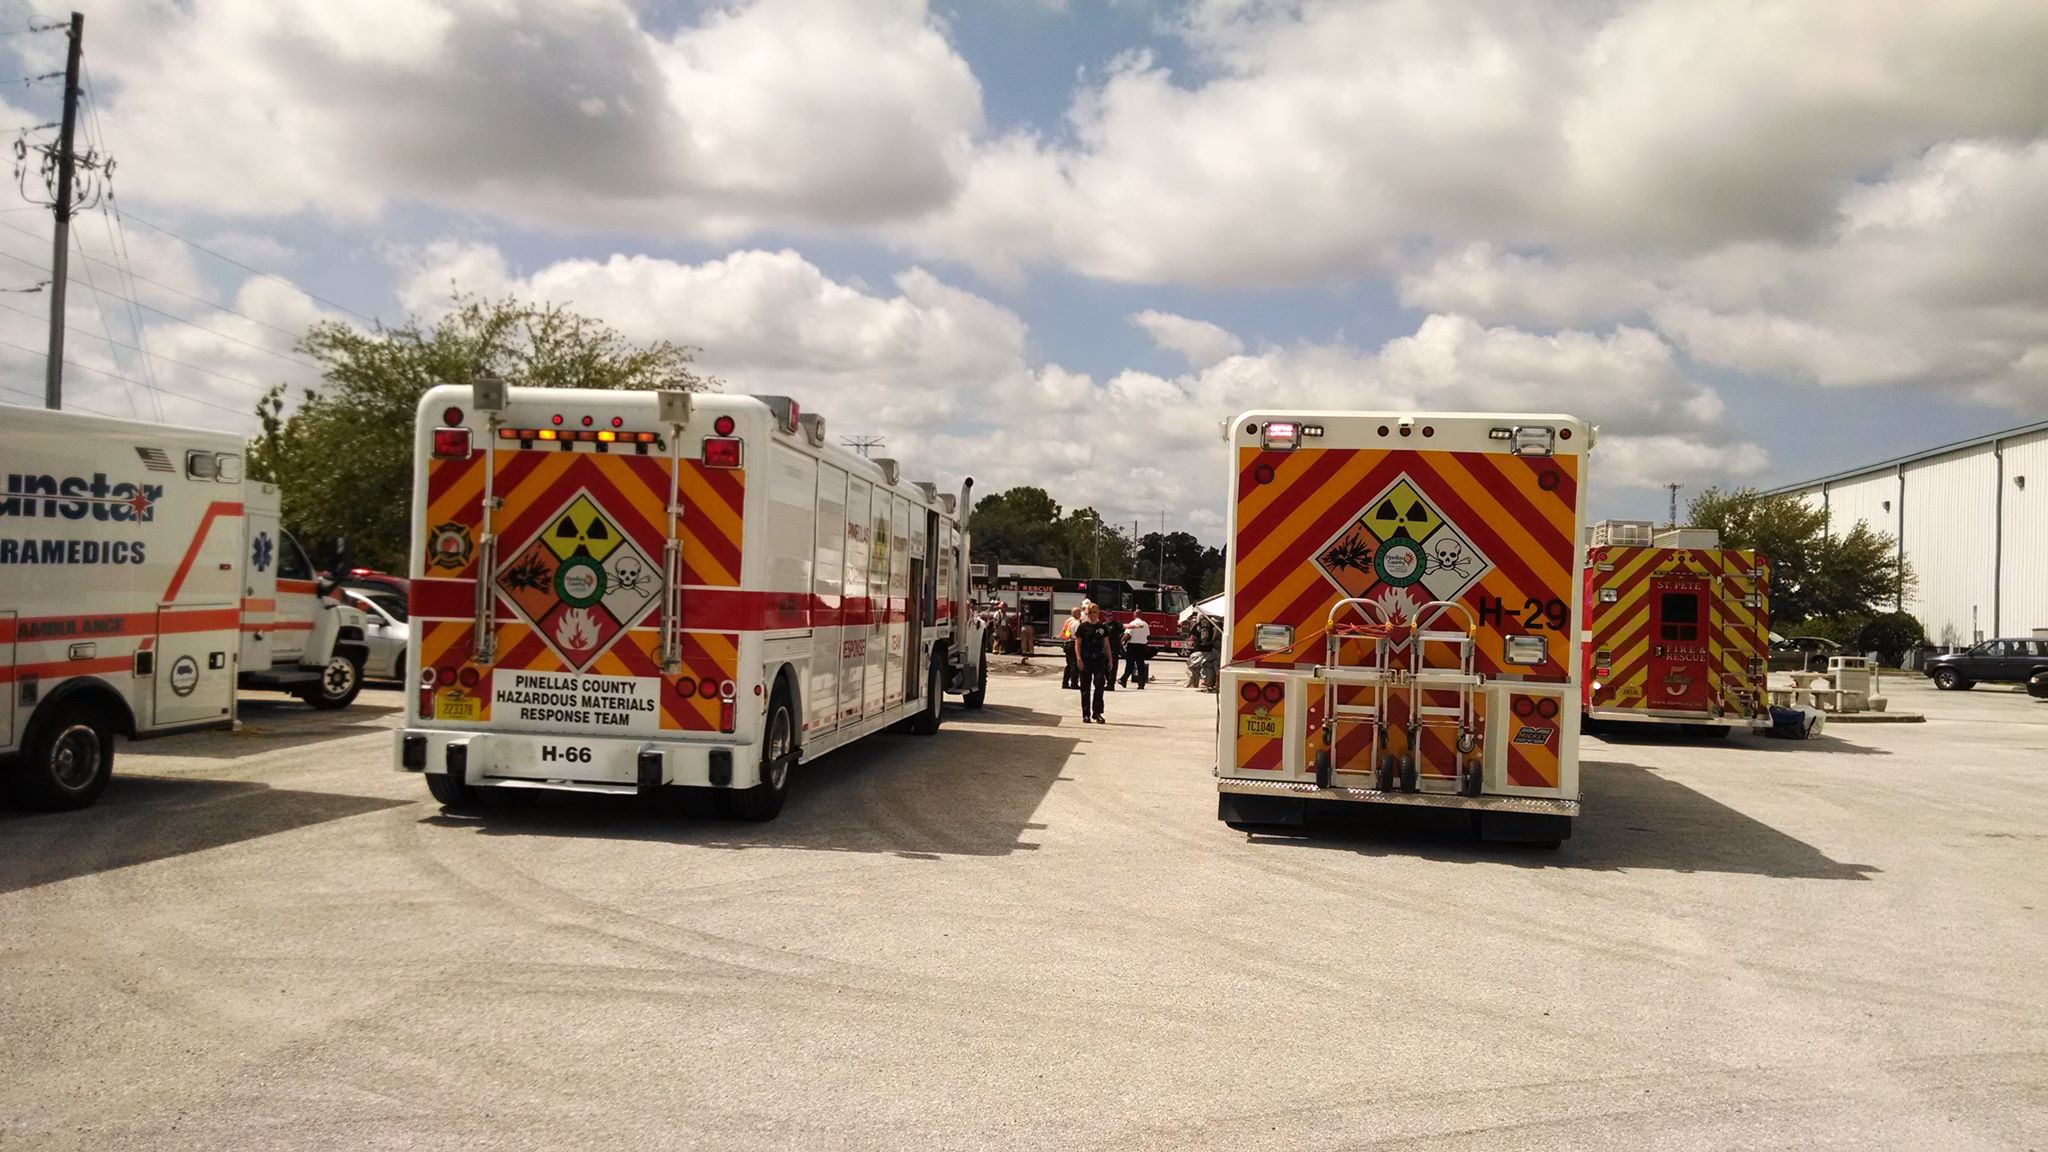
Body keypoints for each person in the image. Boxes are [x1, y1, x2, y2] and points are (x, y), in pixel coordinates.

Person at [1073, 601, 1115, 723]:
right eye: (1091, 612)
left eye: (1096, 612)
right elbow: (1078, 644)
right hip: (1086, 659)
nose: (1094, 615)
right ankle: (1085, 714)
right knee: (1085, 688)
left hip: (1099, 660)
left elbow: (1107, 645)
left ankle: (1097, 713)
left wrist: (1110, 659)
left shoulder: (1102, 628)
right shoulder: (1083, 627)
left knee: (1099, 686)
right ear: (1088, 613)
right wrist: (1079, 659)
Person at [1121, 614, 1152, 688]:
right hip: (1142, 646)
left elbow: (1127, 634)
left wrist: (1121, 641)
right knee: (1140, 664)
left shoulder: (1132, 623)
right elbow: (1148, 635)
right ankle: (1141, 684)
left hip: (1132, 646)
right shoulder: (1145, 624)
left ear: (1134, 615)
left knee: (1130, 664)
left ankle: (1124, 680)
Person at [1058, 605, 1083, 690]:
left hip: (1067, 643)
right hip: (1073, 643)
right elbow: (1078, 635)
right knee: (1074, 665)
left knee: (1069, 665)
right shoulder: (1076, 622)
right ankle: (1074, 683)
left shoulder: (1068, 620)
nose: (1081, 614)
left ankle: (1065, 683)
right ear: (1075, 613)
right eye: (1079, 612)